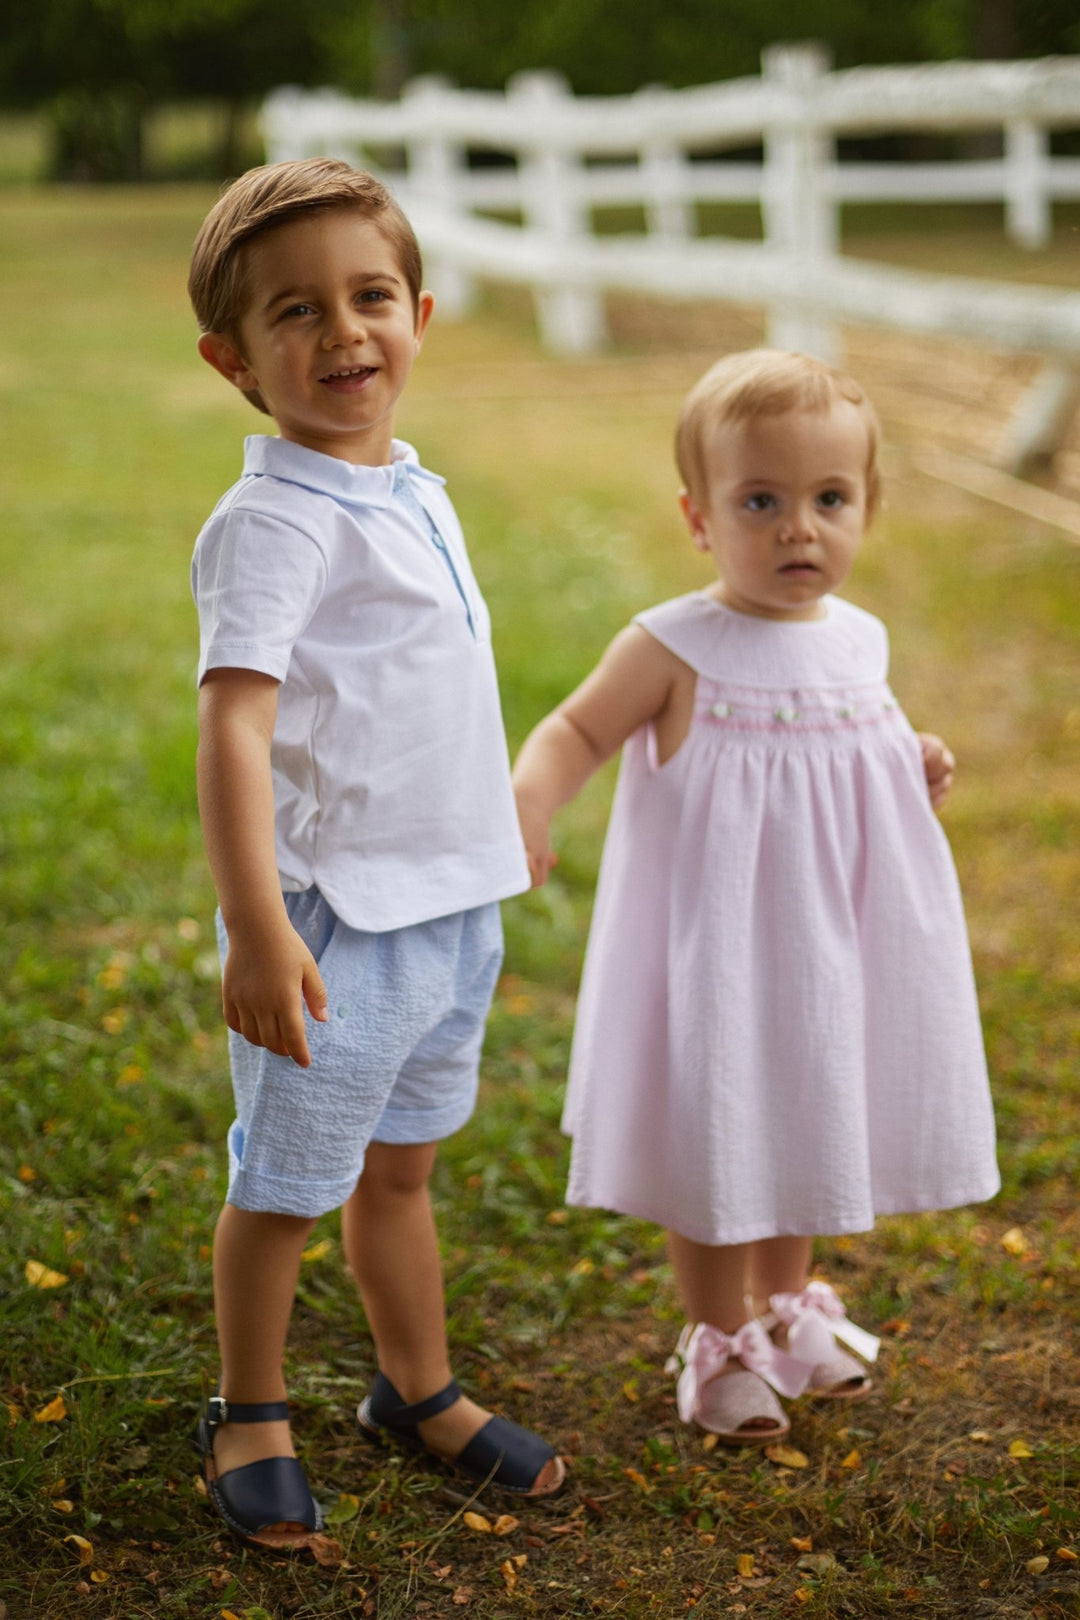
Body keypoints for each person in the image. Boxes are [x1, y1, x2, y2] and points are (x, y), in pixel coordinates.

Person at [512, 349, 999, 1447]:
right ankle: (718, 1334)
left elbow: (848, 754)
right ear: (700, 516)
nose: (799, 529)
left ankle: (788, 1309)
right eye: (761, 502)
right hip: (721, 950)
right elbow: (577, 728)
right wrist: (530, 800)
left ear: (868, 506)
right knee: (723, 1125)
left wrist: (906, 760)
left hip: (829, 945)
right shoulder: (675, 644)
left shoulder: (858, 637)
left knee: (809, 1109)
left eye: (830, 500)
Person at [188, 158, 564, 1551]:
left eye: (369, 297)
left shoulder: (409, 487)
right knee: (284, 1185)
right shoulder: (273, 523)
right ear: (235, 359)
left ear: (418, 310)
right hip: (338, 928)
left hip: (451, 911)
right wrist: (255, 929)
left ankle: (418, 1392)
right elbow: (236, 731)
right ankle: (249, 1412)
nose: (344, 333)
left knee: (401, 1172)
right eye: (298, 313)